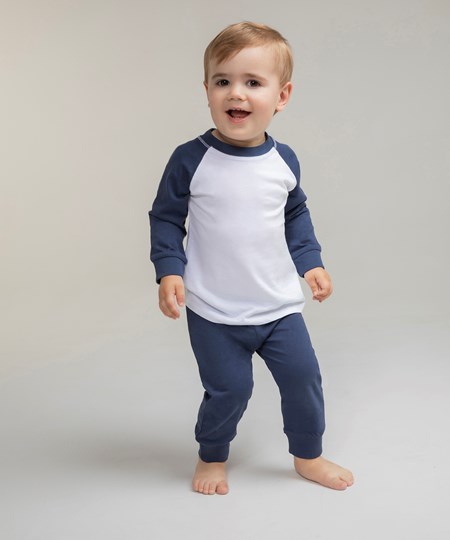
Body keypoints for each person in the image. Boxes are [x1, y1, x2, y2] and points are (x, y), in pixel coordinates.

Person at [149, 21, 354, 495]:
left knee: (304, 379)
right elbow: (165, 218)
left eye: (253, 82)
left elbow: (295, 214)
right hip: (215, 311)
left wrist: (311, 262)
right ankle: (212, 455)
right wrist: (169, 270)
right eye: (223, 80)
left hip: (277, 306)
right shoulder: (190, 158)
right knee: (230, 390)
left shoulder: (283, 159)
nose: (236, 93)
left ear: (282, 96)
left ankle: (308, 455)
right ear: (206, 90)